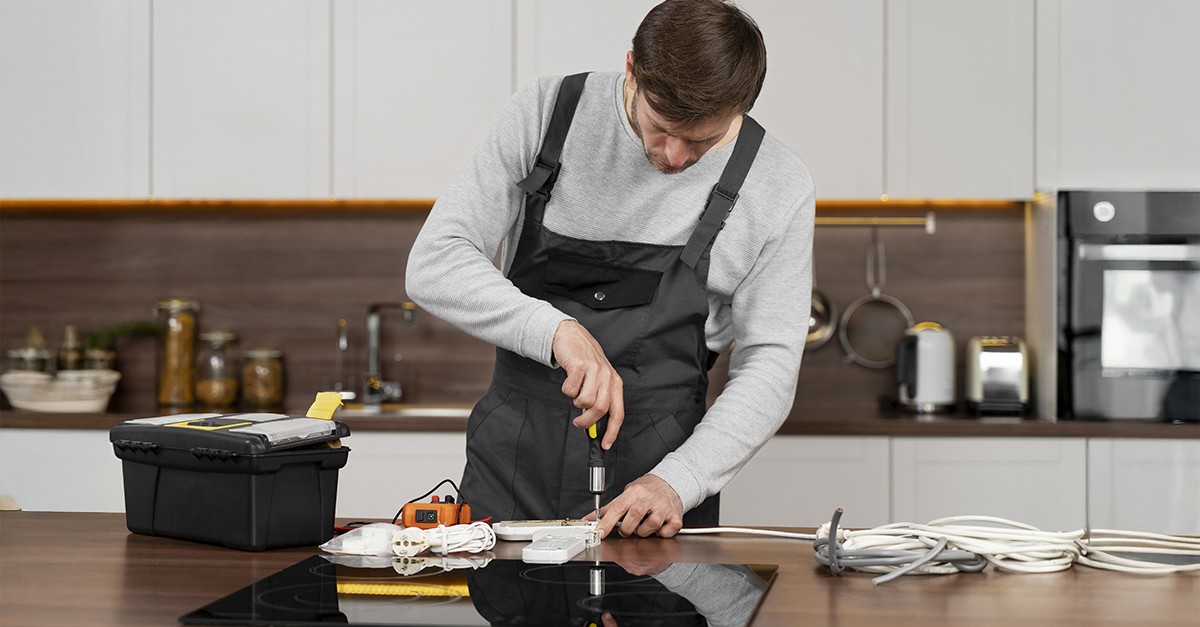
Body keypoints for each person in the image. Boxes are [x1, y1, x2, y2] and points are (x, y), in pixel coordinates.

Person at [406, 0, 814, 539]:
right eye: (661, 126)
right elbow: (435, 261)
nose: (673, 156)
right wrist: (559, 331)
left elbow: (770, 366)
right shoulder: (546, 114)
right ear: (632, 70)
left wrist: (680, 480)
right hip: (512, 461)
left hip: (656, 485)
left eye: (702, 141)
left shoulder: (776, 182)